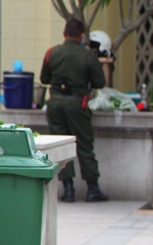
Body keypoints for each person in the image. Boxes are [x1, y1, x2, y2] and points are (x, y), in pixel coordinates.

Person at [40, 18, 109, 203]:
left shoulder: (52, 53)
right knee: (84, 145)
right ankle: (92, 189)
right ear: (81, 36)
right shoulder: (88, 56)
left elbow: (44, 78)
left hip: (55, 104)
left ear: (64, 34)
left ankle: (68, 189)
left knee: (61, 145)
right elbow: (100, 83)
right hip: (78, 105)